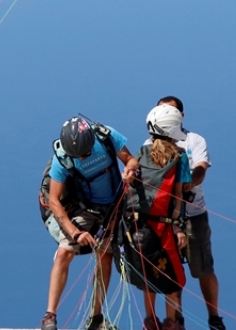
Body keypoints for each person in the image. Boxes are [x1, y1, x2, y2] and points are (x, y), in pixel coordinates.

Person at [41, 116, 139, 330]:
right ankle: (50, 316)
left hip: (116, 205)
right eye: (78, 156)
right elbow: (54, 201)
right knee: (64, 253)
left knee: (105, 256)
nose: (82, 158)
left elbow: (130, 160)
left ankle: (95, 318)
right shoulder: (62, 158)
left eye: (85, 153)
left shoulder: (106, 137)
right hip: (87, 209)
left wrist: (130, 170)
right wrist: (75, 233)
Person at [122, 104, 192, 330]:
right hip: (165, 230)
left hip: (138, 229)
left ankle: (150, 323)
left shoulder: (140, 154)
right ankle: (171, 323)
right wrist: (179, 228)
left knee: (148, 279)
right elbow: (179, 195)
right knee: (173, 281)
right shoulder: (180, 158)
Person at [158, 95, 225, 330]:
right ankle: (177, 320)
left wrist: (184, 185)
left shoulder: (194, 140)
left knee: (203, 268)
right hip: (165, 218)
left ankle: (214, 318)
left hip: (194, 215)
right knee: (171, 271)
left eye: (170, 111)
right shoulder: (150, 146)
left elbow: (200, 170)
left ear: (181, 116)